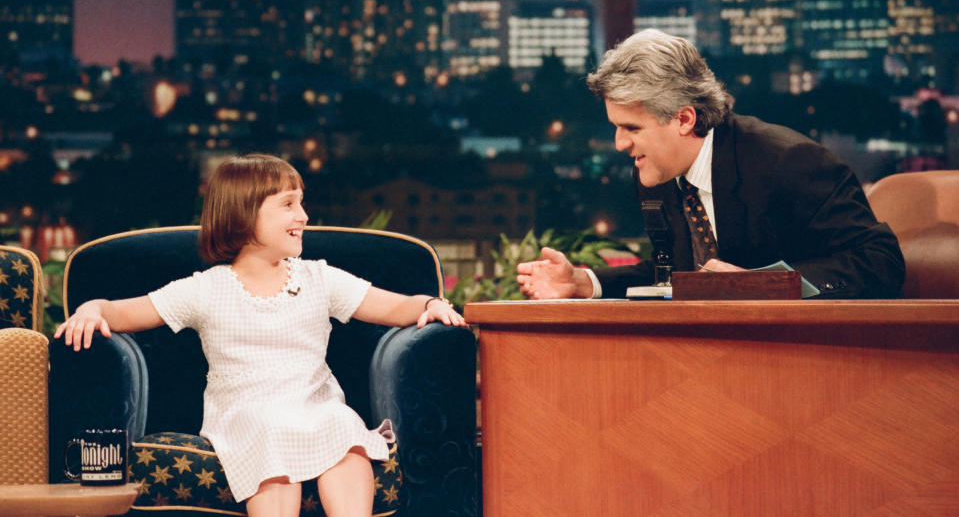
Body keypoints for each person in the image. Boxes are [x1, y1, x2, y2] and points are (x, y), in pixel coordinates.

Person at [55, 153, 468, 517]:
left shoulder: (319, 278)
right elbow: (126, 311)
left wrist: (429, 304)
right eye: (288, 205)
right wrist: (92, 309)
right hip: (245, 413)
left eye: (301, 202)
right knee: (269, 435)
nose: (303, 216)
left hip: (314, 406)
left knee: (344, 427)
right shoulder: (205, 288)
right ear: (244, 215)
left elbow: (393, 306)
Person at [517, 29, 905, 300]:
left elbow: (880, 261)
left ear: (684, 119)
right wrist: (584, 283)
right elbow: (678, 274)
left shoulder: (788, 163)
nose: (620, 144)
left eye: (630, 127)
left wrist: (773, 287)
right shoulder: (657, 173)